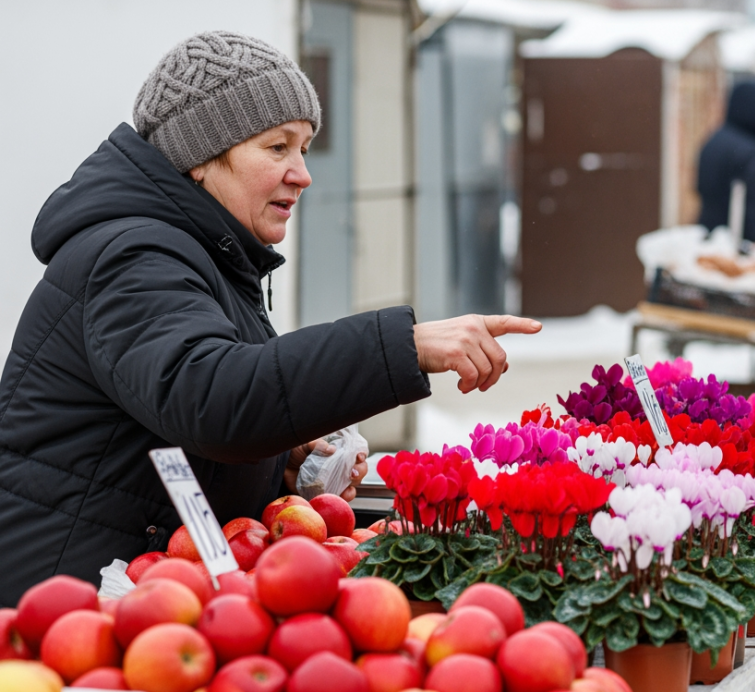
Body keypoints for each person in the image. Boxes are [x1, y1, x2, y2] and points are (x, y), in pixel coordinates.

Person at [0, 32, 541, 606]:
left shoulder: (201, 250)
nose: (303, 173)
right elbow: (213, 398)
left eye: (304, 148)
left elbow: (179, 409)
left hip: (143, 596)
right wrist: (402, 345)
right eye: (278, 148)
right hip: (64, 609)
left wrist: (281, 461)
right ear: (201, 158)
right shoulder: (133, 256)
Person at [696, 81, 755, 243]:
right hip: (740, 248)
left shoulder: (713, 141)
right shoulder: (751, 154)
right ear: (754, 110)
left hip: (709, 238)